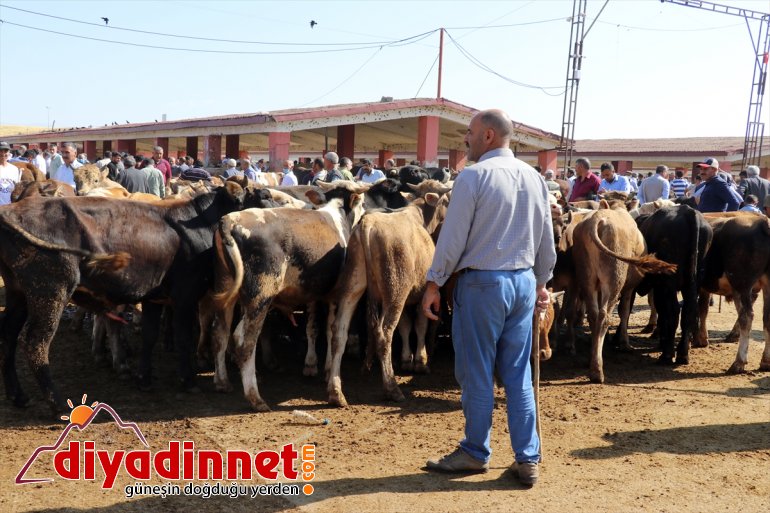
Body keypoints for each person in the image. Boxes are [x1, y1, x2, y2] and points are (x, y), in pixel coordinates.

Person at [421, 109, 556, 487]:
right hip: (523, 283)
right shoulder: (534, 177)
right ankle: (527, 459)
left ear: (489, 135)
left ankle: (475, 452)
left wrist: (434, 283)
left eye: (470, 132)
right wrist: (542, 281)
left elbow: (452, 238)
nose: (466, 138)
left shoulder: (473, 176)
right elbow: (546, 237)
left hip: (482, 284)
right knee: (518, 373)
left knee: (477, 371)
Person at [0, 141, 22, 205]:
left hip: (10, 207)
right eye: (0, 151)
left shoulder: (14, 169)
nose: (3, 154)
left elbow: (16, 189)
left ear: (9, 153)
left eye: (5, 151)